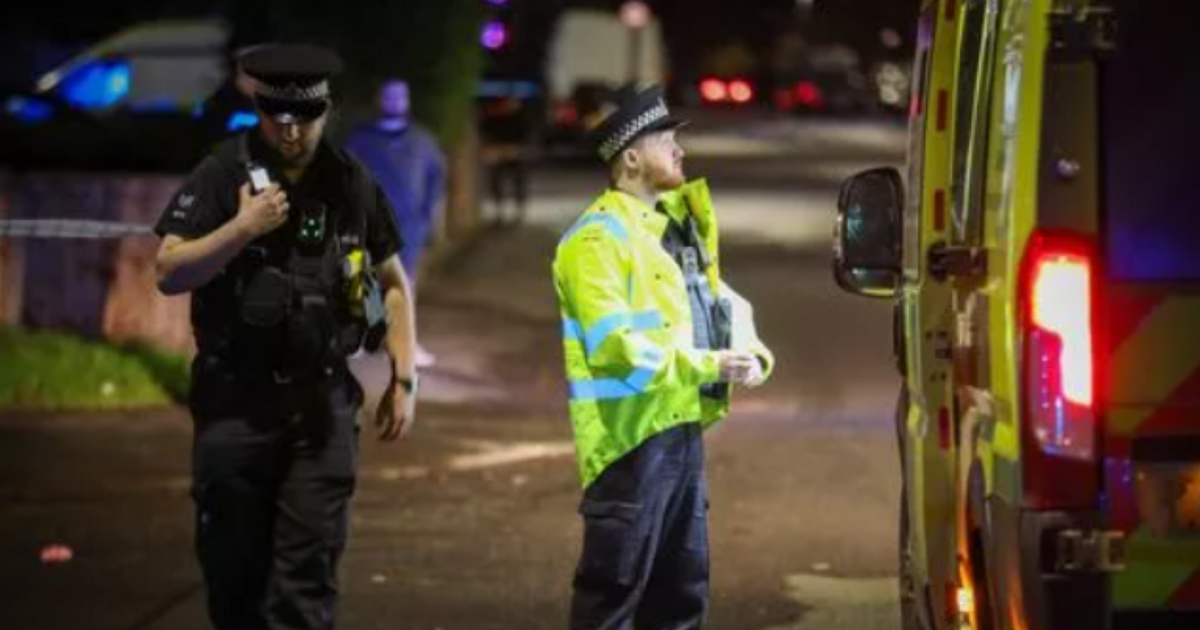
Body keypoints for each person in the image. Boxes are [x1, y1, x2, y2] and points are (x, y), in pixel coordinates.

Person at [153, 44, 420, 630]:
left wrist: (403, 378)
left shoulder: (350, 180)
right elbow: (169, 271)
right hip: (235, 406)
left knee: (306, 582)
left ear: (325, 111)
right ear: (259, 110)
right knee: (234, 580)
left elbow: (393, 284)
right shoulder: (223, 171)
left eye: (305, 119)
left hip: (320, 406)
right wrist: (241, 228)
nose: (291, 132)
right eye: (278, 118)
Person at [552, 84, 775, 630]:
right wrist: (708, 365)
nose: (680, 151)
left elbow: (720, 302)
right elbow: (615, 349)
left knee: (680, 599)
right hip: (628, 446)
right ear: (631, 158)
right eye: (665, 140)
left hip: (679, 434)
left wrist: (751, 354)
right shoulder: (595, 241)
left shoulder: (672, 229)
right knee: (611, 602)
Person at [344, 79, 444, 368]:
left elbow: (436, 179)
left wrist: (426, 216)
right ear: (378, 99)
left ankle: (404, 342)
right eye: (389, 96)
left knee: (404, 283)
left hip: (408, 226)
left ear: (408, 101)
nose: (394, 102)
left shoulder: (423, 140)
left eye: (400, 96)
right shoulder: (360, 139)